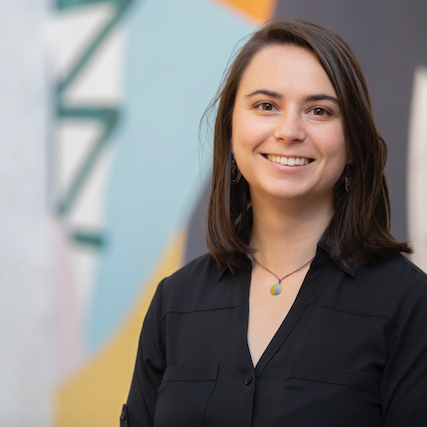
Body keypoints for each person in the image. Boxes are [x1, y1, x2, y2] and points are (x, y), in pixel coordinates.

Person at [121, 19, 427, 426]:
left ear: (352, 143)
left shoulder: (409, 305)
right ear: (231, 128)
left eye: (319, 111)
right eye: (266, 105)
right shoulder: (174, 303)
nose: (289, 131)